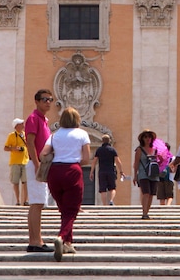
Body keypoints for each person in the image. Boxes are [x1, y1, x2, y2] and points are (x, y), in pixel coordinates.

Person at [41, 107, 91, 261]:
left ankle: (68, 243)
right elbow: (86, 158)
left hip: (54, 172)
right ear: (77, 119)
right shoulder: (82, 134)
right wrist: (74, 161)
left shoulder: (54, 135)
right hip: (72, 171)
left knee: (64, 210)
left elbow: (43, 154)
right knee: (72, 210)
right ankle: (61, 237)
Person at [24, 89, 54, 253]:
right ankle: (34, 241)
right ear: (36, 101)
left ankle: (37, 239)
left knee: (39, 203)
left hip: (42, 165)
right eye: (44, 99)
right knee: (36, 204)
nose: (48, 102)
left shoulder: (44, 120)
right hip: (36, 164)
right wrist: (36, 164)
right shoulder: (33, 118)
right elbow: (30, 142)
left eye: (50, 99)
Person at [134, 129, 161, 219]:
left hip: (153, 174)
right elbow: (136, 163)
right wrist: (135, 175)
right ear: (142, 139)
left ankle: (147, 212)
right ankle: (144, 212)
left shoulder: (155, 150)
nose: (147, 138)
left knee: (151, 194)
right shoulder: (139, 150)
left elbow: (160, 161)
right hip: (143, 174)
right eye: (145, 137)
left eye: (149, 137)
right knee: (146, 192)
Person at [90, 134, 124, 206]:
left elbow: (94, 161)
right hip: (111, 171)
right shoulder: (112, 150)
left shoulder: (99, 150)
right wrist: (121, 171)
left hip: (102, 171)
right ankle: (111, 200)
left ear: (102, 141)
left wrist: (91, 172)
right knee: (112, 188)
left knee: (103, 189)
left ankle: (104, 204)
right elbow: (118, 161)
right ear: (109, 141)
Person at [4, 118, 28, 205]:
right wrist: (14, 148)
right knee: (16, 182)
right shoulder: (11, 135)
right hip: (15, 162)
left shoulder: (25, 135)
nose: (23, 125)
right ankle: (18, 201)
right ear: (17, 126)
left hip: (25, 161)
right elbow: (5, 148)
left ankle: (25, 200)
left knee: (26, 182)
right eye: (21, 123)